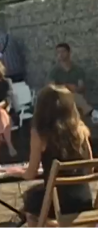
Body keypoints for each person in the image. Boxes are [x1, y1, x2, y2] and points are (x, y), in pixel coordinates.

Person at [11, 85, 94, 227]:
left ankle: (52, 224)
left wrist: (20, 173)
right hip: (84, 199)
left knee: (30, 201)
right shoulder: (80, 130)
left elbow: (31, 173)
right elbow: (90, 167)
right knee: (37, 196)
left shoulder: (40, 134)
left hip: (57, 201)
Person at [47, 43, 93, 118]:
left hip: (74, 94)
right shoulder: (54, 71)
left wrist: (75, 88)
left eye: (63, 51)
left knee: (75, 96)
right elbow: (52, 87)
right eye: (58, 52)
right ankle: (91, 113)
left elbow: (81, 87)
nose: (60, 54)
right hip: (60, 96)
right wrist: (64, 87)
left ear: (69, 52)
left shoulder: (78, 70)